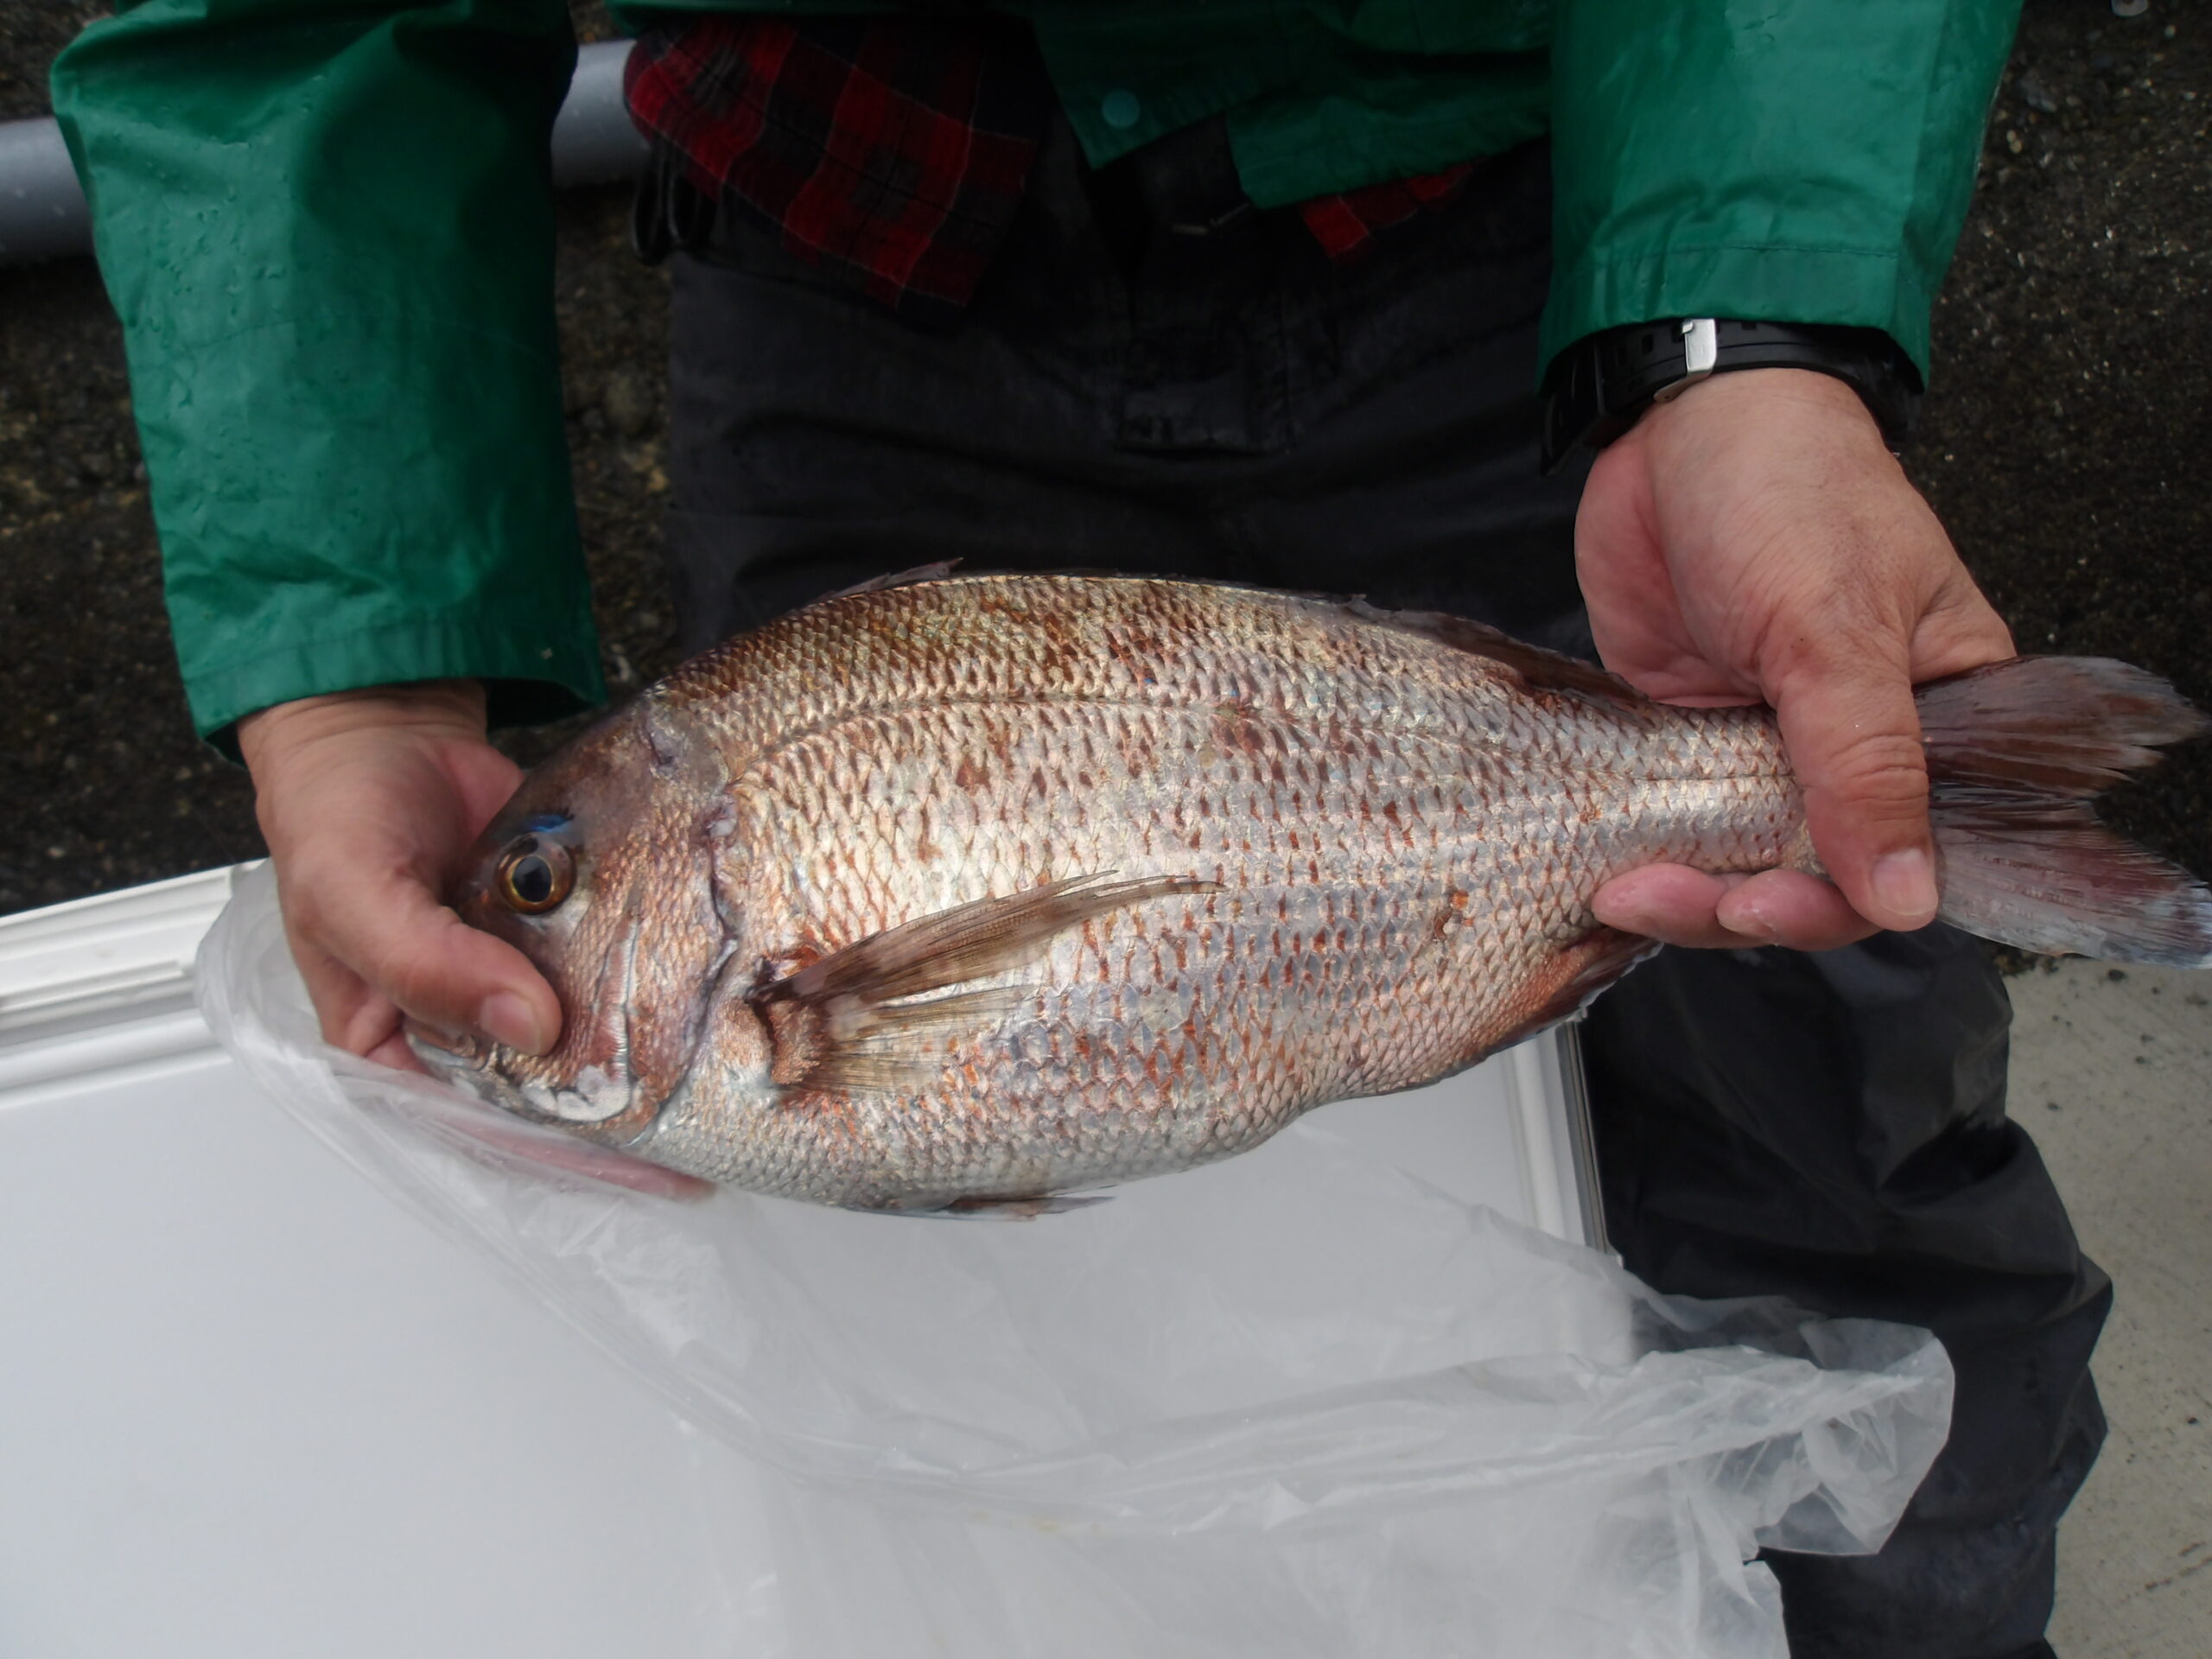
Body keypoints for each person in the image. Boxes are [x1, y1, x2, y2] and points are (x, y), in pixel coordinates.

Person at [54, 3, 2107, 1653]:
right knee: (910, 1338)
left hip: (1555, 186)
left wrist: (1729, 335)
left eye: (550, 884)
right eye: (554, 885)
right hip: (853, 210)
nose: (533, 927)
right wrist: (363, 652)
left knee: (1814, 1129)